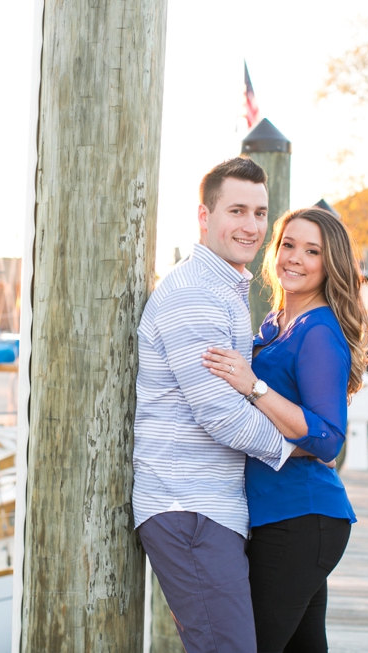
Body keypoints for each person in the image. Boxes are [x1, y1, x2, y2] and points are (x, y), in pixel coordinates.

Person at [133, 157, 306, 653]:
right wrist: (301, 446)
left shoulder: (223, 289)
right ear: (205, 217)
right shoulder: (193, 295)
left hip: (208, 507)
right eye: (237, 211)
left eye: (259, 212)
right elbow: (220, 414)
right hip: (188, 506)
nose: (251, 226)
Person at [203, 206, 368, 652]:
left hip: (299, 520)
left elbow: (327, 437)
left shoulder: (318, 330)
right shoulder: (277, 323)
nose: (294, 258)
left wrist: (252, 385)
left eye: (311, 250)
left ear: (329, 262)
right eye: (288, 245)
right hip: (288, 519)